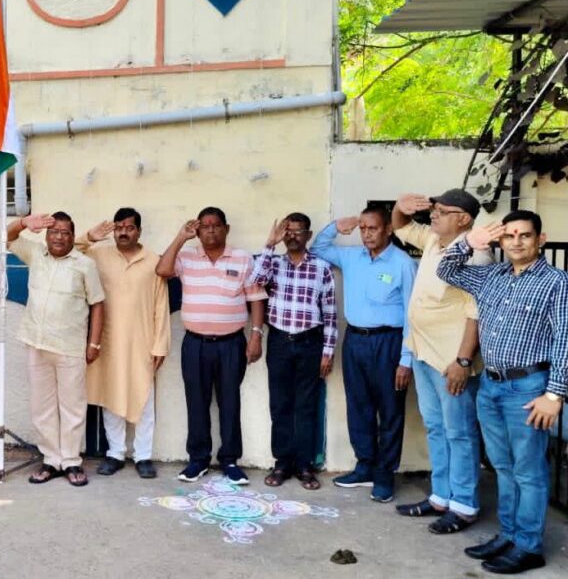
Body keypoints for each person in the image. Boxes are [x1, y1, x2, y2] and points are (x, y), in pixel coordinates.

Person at [438, 210, 567, 575]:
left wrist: (554, 395)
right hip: (491, 385)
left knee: (529, 470)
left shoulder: (557, 282)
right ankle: (508, 535)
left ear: (540, 240)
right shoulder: (491, 276)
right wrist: (468, 242)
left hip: (528, 388)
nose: (516, 241)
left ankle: (528, 545)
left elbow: (565, 340)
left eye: (525, 235)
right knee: (503, 467)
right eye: (509, 235)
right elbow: (446, 270)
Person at [391, 190, 491, 534]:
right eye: (434, 209)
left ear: (463, 219)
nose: (433, 215)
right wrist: (399, 208)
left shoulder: (476, 255)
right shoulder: (435, 239)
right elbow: (400, 227)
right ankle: (441, 497)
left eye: (442, 211)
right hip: (423, 352)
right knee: (436, 428)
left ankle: (464, 506)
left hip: (450, 361)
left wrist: (463, 361)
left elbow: (475, 314)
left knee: (459, 432)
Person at [310, 206, 417, 504]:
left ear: (388, 229)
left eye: (373, 228)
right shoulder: (352, 256)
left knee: (390, 410)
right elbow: (317, 248)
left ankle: (384, 474)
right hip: (355, 340)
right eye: (363, 228)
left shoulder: (403, 263)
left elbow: (413, 314)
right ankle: (365, 465)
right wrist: (336, 226)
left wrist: (406, 359)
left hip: (389, 342)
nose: (367, 234)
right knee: (359, 406)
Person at [155, 207, 267, 484]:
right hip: (195, 344)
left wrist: (256, 336)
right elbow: (162, 269)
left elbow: (256, 298)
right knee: (196, 401)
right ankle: (198, 460)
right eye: (204, 226)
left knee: (230, 402)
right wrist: (181, 237)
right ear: (198, 231)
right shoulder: (186, 257)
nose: (211, 230)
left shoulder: (242, 258)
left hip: (231, 344)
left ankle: (230, 460)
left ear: (226, 229)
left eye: (216, 225)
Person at [7, 212, 105, 487]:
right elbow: (7, 236)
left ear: (73, 237)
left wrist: (94, 343)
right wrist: (24, 223)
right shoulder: (35, 254)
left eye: (65, 232)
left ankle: (71, 461)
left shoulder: (85, 264)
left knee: (72, 406)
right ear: (47, 235)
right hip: (37, 343)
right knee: (42, 407)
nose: (59, 237)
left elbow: (98, 304)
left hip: (70, 347)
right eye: (54, 232)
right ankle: (51, 459)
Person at [79, 208, 170, 479]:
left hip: (143, 342)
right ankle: (115, 453)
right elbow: (66, 250)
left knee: (144, 399)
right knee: (111, 397)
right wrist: (89, 237)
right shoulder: (99, 255)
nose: (123, 232)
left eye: (129, 227)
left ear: (139, 231)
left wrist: (160, 345)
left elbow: (161, 306)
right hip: (107, 342)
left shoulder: (153, 261)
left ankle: (143, 456)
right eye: (118, 227)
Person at [249, 212, 337, 491]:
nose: (292, 236)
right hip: (279, 341)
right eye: (288, 231)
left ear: (308, 235)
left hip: (310, 342)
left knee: (306, 405)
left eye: (298, 231)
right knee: (280, 404)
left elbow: (330, 313)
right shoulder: (274, 263)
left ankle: (304, 465)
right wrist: (270, 244)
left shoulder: (321, 268)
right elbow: (255, 280)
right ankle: (282, 462)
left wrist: (328, 351)